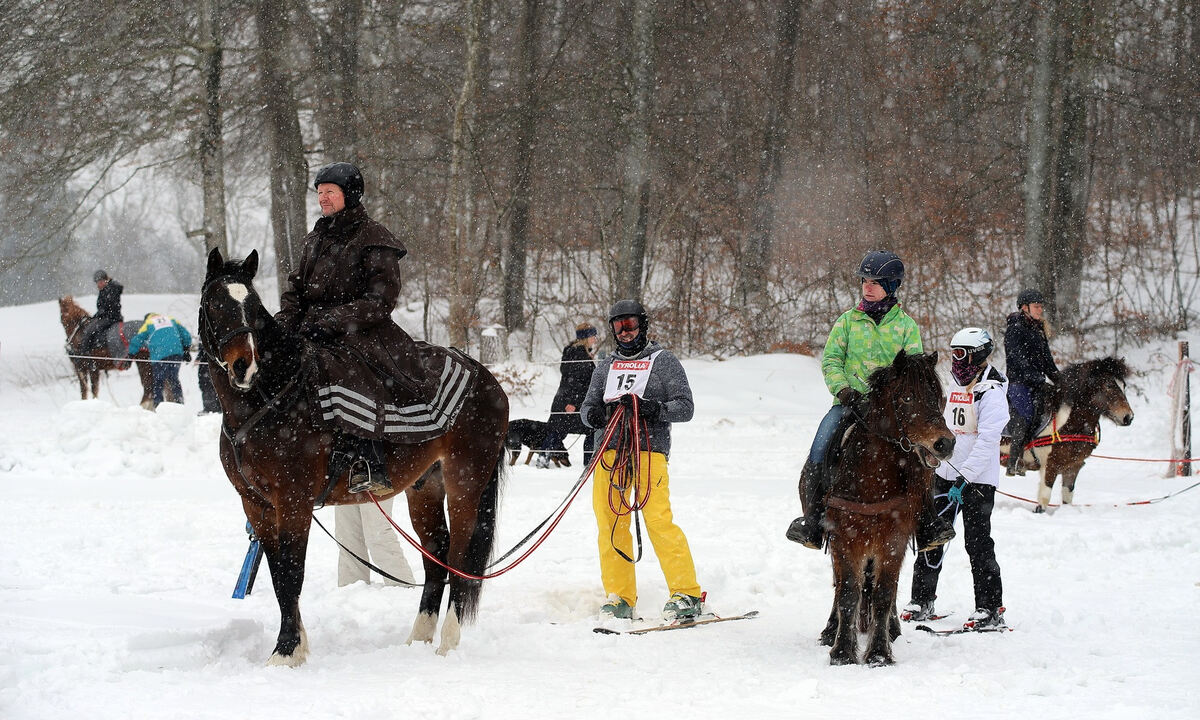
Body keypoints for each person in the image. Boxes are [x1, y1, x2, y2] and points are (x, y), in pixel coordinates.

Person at [274, 161, 431, 495]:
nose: (323, 199)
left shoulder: (376, 238)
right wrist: (284, 323)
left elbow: (380, 300)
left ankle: (368, 459)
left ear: (350, 194)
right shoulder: (316, 238)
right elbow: (295, 290)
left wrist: (332, 321)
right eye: (320, 193)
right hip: (313, 327)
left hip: (363, 331)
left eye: (330, 192)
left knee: (347, 369)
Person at [785, 250, 954, 551]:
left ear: (891, 286)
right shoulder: (847, 322)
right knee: (821, 444)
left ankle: (928, 523)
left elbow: (914, 372)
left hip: (893, 411)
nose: (868, 286)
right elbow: (831, 361)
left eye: (876, 282)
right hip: (848, 404)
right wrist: (845, 391)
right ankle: (812, 522)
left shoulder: (906, 327)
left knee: (920, 456)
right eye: (865, 280)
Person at [580, 300, 703, 621]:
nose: (625, 332)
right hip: (609, 452)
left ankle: (686, 591)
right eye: (618, 326)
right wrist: (595, 414)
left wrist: (654, 408)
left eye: (630, 325)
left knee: (657, 519)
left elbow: (685, 407)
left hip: (649, 448)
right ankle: (620, 595)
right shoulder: (605, 366)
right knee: (610, 522)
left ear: (643, 325)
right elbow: (587, 408)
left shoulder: (663, 361)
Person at [903, 327, 1007, 630]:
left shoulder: (992, 392)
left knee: (977, 543)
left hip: (976, 482)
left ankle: (989, 607)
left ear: (978, 355)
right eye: (953, 353)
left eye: (961, 354)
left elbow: (988, 442)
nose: (955, 360)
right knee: (930, 538)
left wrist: (968, 478)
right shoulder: (955, 385)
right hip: (945, 475)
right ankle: (922, 600)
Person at [1003, 288, 1060, 476]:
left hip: (1036, 381)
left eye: (1041, 307)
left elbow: (1047, 361)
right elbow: (1018, 359)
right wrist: (1035, 377)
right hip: (1019, 382)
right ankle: (1014, 460)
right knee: (1024, 415)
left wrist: (1060, 380)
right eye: (1037, 307)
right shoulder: (1015, 328)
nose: (1040, 310)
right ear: (1024, 308)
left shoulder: (1038, 329)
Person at [538, 322, 599, 469]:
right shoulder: (578, 354)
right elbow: (574, 380)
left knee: (558, 430)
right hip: (572, 402)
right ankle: (589, 462)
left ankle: (543, 457)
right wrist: (572, 402)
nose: (595, 339)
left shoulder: (574, 351)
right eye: (593, 335)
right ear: (585, 337)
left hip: (566, 399)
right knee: (590, 429)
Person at [335, 500, 417, 587]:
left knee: (377, 534)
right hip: (342, 488)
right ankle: (352, 587)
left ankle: (401, 586)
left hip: (376, 487)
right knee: (347, 536)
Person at [127, 313, 192, 408]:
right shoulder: (171, 318)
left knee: (158, 381)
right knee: (173, 378)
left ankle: (158, 406)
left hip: (159, 354)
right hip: (175, 352)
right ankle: (179, 403)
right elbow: (185, 334)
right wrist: (186, 349)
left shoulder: (148, 323)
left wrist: (130, 355)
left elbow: (137, 339)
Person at [79, 270, 124, 353]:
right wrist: (96, 316)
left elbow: (109, 307)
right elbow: (102, 308)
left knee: (90, 330)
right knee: (90, 325)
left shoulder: (111, 289)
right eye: (97, 283)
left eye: (100, 282)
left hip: (111, 318)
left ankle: (85, 353)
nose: (98, 285)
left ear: (105, 280)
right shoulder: (105, 289)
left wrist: (99, 315)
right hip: (107, 316)